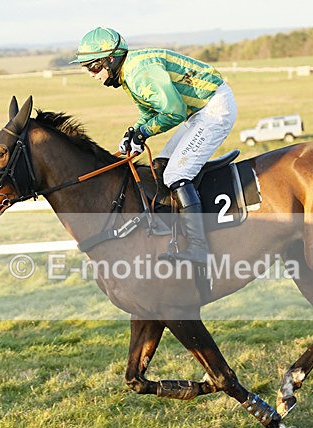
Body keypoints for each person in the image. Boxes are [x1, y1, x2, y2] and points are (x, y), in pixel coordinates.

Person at [72, 27, 237, 265]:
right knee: (162, 165)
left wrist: (143, 134)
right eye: (87, 68)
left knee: (175, 174)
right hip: (199, 111)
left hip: (213, 109)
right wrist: (134, 132)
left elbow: (174, 111)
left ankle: (199, 248)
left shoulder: (139, 73)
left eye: (94, 67)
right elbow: (149, 113)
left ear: (111, 59)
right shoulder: (129, 74)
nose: (91, 74)